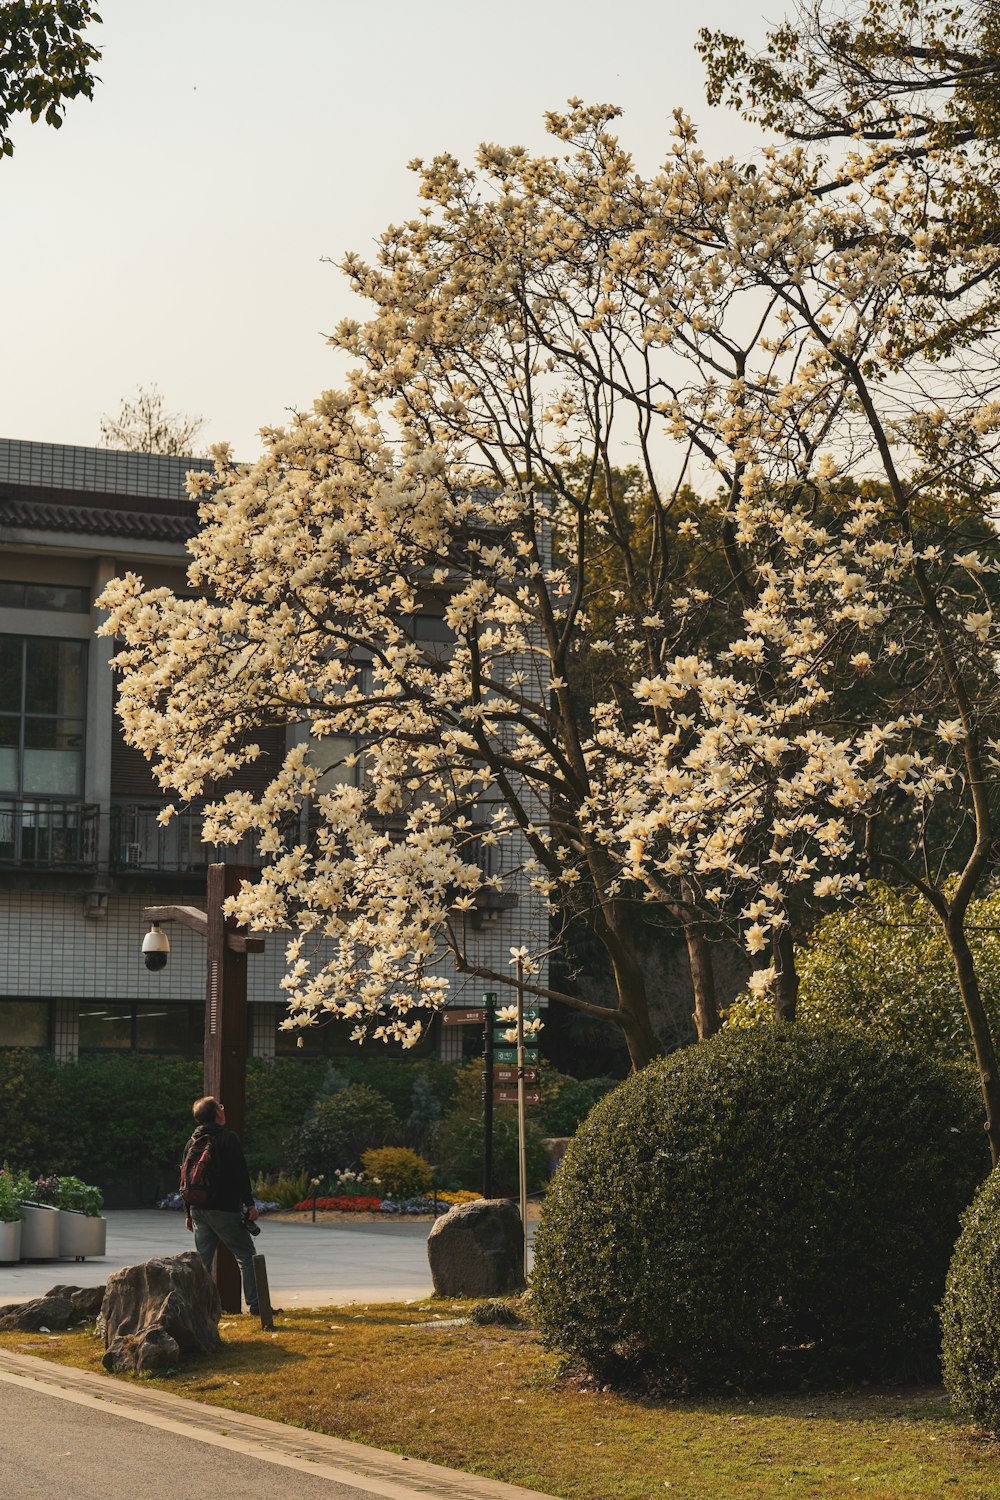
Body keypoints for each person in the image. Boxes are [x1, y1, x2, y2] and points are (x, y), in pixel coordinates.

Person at [182, 1095, 260, 1316]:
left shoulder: (192, 1141)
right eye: (220, 1107)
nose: (223, 1109)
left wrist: (188, 1212)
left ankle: (200, 1309)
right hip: (224, 1208)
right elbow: (239, 1173)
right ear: (217, 1114)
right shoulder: (227, 1138)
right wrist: (249, 1204)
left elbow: (185, 1177)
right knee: (246, 1255)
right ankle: (256, 1305)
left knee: (203, 1262)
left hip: (198, 1210)